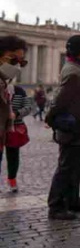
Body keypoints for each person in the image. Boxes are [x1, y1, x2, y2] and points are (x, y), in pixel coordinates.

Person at [46, 35, 80, 220]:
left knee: (75, 167)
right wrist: (50, 118)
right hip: (72, 128)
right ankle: (56, 206)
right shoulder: (73, 72)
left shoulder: (79, 69)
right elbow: (59, 101)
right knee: (66, 167)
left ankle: (73, 200)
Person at [0, 36, 28, 192]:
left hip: (11, 129)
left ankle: (12, 179)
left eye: (21, 62)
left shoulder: (16, 89)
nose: (17, 66)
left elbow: (28, 106)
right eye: (13, 60)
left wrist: (16, 114)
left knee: (13, 156)